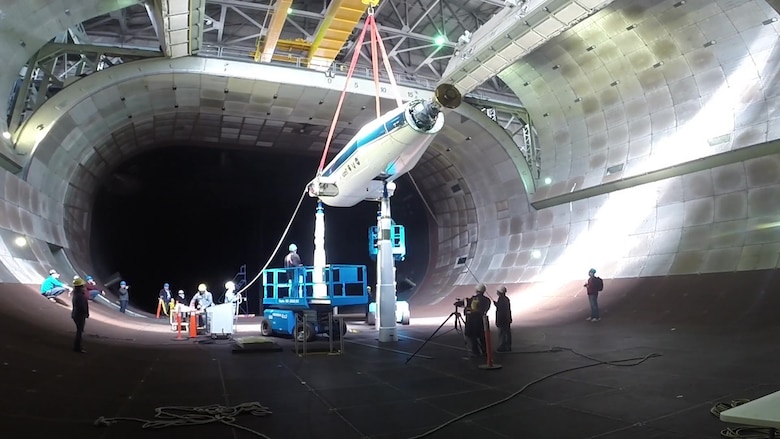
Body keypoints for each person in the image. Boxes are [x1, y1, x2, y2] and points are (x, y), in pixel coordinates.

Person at [464, 283, 491, 357]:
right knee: (483, 338)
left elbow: (467, 307)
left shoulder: (473, 299)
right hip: (482, 321)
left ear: (476, 290)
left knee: (473, 337)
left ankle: (476, 352)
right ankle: (485, 351)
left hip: (472, 322)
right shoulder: (487, 300)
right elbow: (485, 310)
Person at [71, 278, 89, 353]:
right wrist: (86, 313)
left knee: (79, 330)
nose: (84, 287)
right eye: (83, 286)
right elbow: (83, 306)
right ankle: (77, 347)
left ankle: (78, 346)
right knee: (79, 331)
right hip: (80, 315)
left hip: (76, 314)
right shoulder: (80, 296)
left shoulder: (76, 294)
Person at [493, 285, 512, 352]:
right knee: (507, 333)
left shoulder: (501, 299)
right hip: (507, 319)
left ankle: (502, 347)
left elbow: (500, 309)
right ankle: (508, 346)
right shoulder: (506, 299)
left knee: (502, 334)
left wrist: (496, 304)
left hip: (502, 319)